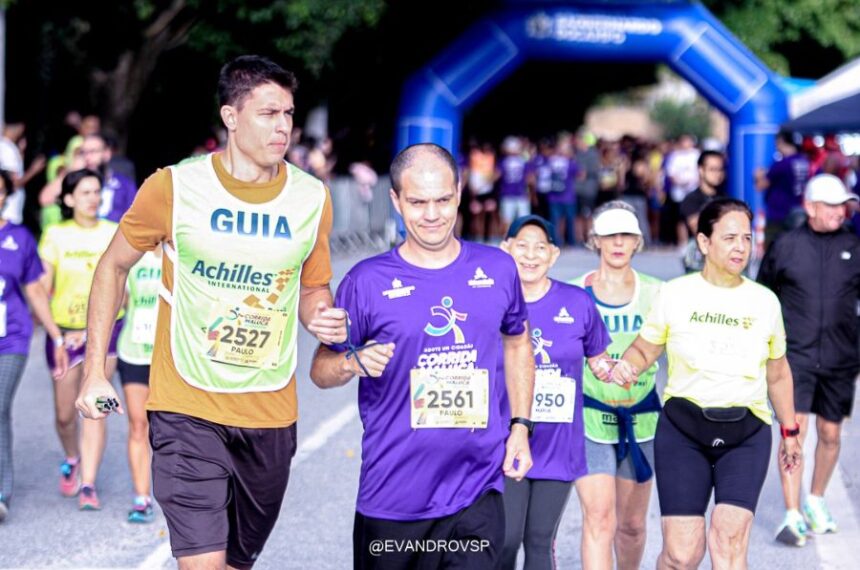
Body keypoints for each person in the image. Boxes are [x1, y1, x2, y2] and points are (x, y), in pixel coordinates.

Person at [76, 55, 345, 569]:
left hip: (269, 412)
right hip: (186, 406)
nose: (283, 126)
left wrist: (321, 317)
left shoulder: (312, 198)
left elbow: (313, 290)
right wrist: (94, 372)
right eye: (269, 113)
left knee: (235, 563)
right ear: (230, 116)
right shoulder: (174, 188)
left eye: (288, 113)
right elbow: (112, 267)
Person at [310, 143, 534, 570]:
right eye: (417, 202)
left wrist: (520, 427)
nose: (431, 215)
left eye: (442, 200)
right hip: (393, 499)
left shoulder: (498, 269)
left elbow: (518, 340)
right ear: (395, 200)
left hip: (476, 491)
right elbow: (320, 369)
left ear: (460, 192)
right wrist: (351, 363)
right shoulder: (366, 282)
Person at [612, 198, 801, 569]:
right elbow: (643, 350)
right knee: (682, 555)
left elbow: (777, 372)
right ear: (703, 243)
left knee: (728, 543)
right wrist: (627, 367)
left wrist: (790, 432)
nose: (740, 247)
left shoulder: (765, 302)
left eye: (746, 238)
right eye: (730, 238)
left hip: (746, 433)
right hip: (683, 431)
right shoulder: (675, 294)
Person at [499, 215, 611, 570]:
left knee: (538, 540)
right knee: (505, 538)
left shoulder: (577, 302)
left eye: (540, 247)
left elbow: (599, 360)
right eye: (522, 246)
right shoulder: (491, 301)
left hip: (558, 444)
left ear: (554, 254)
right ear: (506, 249)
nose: (530, 255)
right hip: (505, 440)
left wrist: (622, 369)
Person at [758, 174, 860, 546]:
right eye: (832, 206)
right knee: (794, 433)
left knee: (831, 434)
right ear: (811, 207)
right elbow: (763, 296)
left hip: (840, 357)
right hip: (795, 358)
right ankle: (792, 513)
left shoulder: (854, 245)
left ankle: (815, 499)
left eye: (843, 205)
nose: (841, 212)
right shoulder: (785, 246)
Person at [570, 201, 662, 570]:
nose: (618, 243)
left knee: (632, 526)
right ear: (596, 240)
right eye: (610, 235)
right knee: (599, 520)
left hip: (642, 422)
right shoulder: (575, 293)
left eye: (626, 235)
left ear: (638, 241)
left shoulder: (658, 293)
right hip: (590, 420)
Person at [38, 168, 121, 510]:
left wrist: (91, 331)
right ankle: (72, 457)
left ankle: (88, 484)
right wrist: (60, 335)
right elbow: (42, 290)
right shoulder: (55, 235)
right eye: (85, 192)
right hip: (62, 335)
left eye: (96, 191)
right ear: (69, 199)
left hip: (105, 333)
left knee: (97, 409)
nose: (93, 198)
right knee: (63, 414)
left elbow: (123, 290)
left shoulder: (114, 232)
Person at [0, 170, 68, 521]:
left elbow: (35, 292)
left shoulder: (19, 238)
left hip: (10, 336)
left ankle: (1, 491)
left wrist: (56, 335)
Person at [115, 248, 162, 523]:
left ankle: (182, 495)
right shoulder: (133, 255)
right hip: (134, 351)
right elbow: (120, 300)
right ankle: (142, 497)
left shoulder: (182, 251)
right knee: (138, 424)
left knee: (170, 427)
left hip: (170, 355)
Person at [755, 131, 810, 245]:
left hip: (778, 215)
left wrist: (757, 176)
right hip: (797, 212)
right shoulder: (804, 161)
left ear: (782, 142)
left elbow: (760, 186)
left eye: (777, 143)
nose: (776, 147)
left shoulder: (782, 163)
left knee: (773, 251)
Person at [679, 151, 726, 273]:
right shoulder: (691, 199)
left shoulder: (725, 199)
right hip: (698, 261)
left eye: (720, 169)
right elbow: (697, 228)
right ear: (701, 170)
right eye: (712, 169)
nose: (718, 174)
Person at [79, 132, 138, 222]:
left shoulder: (125, 185)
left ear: (107, 153)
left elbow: (135, 219)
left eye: (93, 151)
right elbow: (49, 199)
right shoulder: (75, 184)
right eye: (83, 153)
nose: (87, 157)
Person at [497, 136, 531, 234]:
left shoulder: (503, 161)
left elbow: (497, 175)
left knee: (507, 219)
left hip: (507, 193)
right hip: (521, 193)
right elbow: (529, 179)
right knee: (523, 220)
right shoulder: (523, 161)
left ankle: (506, 239)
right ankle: (523, 240)